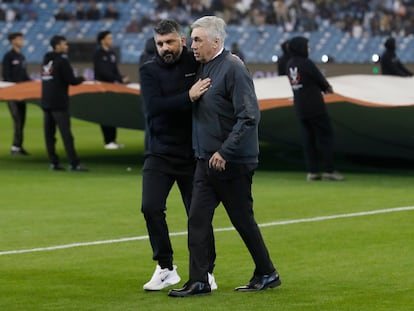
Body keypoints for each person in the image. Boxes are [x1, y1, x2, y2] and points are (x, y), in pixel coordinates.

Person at [168, 16, 281, 298]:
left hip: (231, 162)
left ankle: (267, 272)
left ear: (216, 41)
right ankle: (199, 280)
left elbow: (249, 116)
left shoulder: (233, 68)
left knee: (242, 220)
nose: (191, 45)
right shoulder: (204, 66)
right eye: (192, 39)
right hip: (205, 160)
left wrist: (224, 151)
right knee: (197, 220)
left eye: (197, 40)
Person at [139, 19, 216, 292]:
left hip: (192, 153)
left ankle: (205, 271)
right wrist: (188, 96)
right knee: (150, 207)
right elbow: (155, 108)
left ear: (182, 40)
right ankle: (166, 267)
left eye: (170, 42)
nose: (165, 48)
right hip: (158, 153)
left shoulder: (196, 64)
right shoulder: (148, 70)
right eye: (159, 44)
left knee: (198, 215)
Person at [286, 36, 344, 181]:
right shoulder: (306, 63)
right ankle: (329, 170)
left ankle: (312, 171)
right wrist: (328, 88)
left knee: (308, 140)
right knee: (325, 137)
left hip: (300, 107)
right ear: (300, 47)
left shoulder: (289, 64)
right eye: (307, 46)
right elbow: (321, 81)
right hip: (315, 106)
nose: (309, 48)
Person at [41, 35, 88, 172]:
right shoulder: (62, 61)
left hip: (46, 102)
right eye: (64, 44)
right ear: (57, 46)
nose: (67, 46)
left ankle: (53, 162)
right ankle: (74, 163)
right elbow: (71, 80)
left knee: (49, 135)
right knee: (66, 134)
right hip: (59, 103)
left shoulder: (45, 61)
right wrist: (82, 78)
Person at [93, 30, 128, 150]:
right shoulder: (98, 54)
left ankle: (113, 140)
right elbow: (103, 72)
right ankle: (107, 141)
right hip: (102, 88)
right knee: (105, 113)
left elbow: (114, 70)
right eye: (109, 38)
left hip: (112, 87)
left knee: (112, 113)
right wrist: (117, 78)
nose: (111, 41)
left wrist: (121, 78)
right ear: (103, 40)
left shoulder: (112, 54)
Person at [2, 32, 31, 156]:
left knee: (22, 119)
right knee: (17, 119)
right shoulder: (8, 56)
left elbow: (24, 75)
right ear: (13, 41)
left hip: (22, 92)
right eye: (19, 39)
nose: (22, 41)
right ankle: (15, 146)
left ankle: (18, 145)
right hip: (12, 93)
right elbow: (6, 74)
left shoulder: (22, 57)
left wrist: (31, 83)